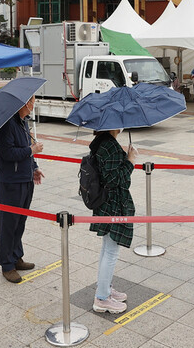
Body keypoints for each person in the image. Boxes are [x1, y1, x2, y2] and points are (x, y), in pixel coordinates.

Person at [0, 96, 43, 283]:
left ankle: (16, 256)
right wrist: (32, 150)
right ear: (24, 104)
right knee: (9, 224)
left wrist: (34, 167)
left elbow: (25, 149)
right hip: (11, 182)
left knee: (20, 222)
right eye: (32, 101)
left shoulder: (23, 122)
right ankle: (6, 264)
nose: (33, 104)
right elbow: (8, 153)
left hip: (25, 179)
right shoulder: (7, 124)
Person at [88, 129, 136, 314]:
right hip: (113, 203)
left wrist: (124, 157)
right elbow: (115, 179)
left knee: (107, 248)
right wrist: (130, 161)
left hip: (105, 202)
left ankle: (105, 288)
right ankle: (101, 298)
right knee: (111, 251)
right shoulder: (109, 145)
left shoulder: (101, 141)